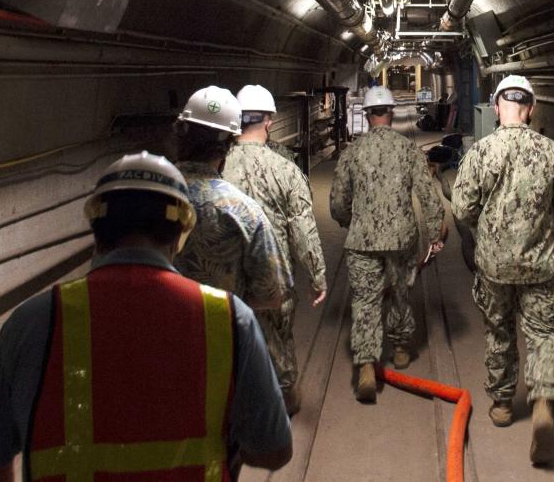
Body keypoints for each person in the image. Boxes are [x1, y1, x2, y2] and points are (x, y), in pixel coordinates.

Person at [0, 152, 292, 481]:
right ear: (181, 231)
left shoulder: (30, 322)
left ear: (97, 229)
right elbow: (273, 450)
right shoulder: (229, 318)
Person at [451, 74, 554, 465]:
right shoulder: (553, 153)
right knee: (543, 335)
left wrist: (485, 229)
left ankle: (503, 405)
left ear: (496, 107)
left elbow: (461, 209)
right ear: (531, 108)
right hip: (542, 264)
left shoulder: (481, 152)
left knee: (500, 331)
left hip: (494, 267)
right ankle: (542, 402)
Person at [329, 85, 446, 403]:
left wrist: (347, 221)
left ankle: (366, 364)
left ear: (367, 116)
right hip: (401, 239)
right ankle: (400, 349)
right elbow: (428, 196)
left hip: (362, 240)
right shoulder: (408, 150)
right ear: (391, 113)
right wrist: (435, 234)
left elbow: (339, 202)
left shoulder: (352, 152)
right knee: (399, 293)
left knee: (365, 303)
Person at [223, 84, 328, 415]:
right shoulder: (286, 170)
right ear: (269, 121)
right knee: (278, 341)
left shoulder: (216, 166)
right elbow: (303, 230)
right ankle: (284, 400)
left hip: (222, 282)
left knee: (226, 342)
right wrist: (317, 276)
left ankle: (231, 403)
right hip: (273, 278)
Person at [173, 86, 288, 312]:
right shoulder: (243, 211)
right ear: (228, 145)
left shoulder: (144, 197)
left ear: (181, 134)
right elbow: (272, 295)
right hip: (218, 337)